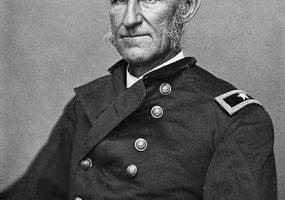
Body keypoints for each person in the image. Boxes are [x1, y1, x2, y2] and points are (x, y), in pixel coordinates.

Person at [0, 0, 277, 199]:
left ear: (187, 7)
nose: (130, 18)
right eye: (119, 0)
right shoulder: (84, 105)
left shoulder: (237, 121)